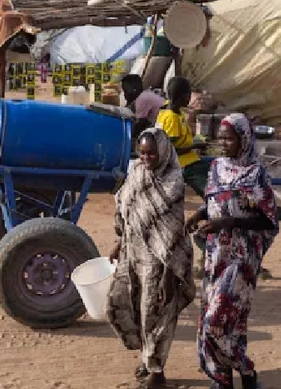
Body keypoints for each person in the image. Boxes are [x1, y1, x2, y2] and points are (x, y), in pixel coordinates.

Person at [186, 114, 278, 389]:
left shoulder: (257, 174)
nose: (223, 143)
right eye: (221, 138)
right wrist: (199, 214)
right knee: (229, 323)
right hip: (216, 255)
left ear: (244, 139)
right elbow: (215, 202)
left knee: (217, 319)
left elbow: (268, 220)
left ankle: (245, 368)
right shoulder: (215, 167)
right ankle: (223, 378)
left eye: (229, 138)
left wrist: (229, 222)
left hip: (242, 258)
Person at [107, 129, 195, 389]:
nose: (146, 157)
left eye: (152, 153)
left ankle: (157, 372)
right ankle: (147, 358)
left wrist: (170, 275)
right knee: (119, 305)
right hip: (132, 253)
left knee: (153, 315)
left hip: (159, 262)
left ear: (164, 152)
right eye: (142, 152)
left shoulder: (172, 183)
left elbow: (173, 233)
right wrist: (119, 242)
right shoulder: (136, 172)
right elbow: (125, 207)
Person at [156, 77, 204, 195]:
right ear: (183, 96)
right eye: (189, 94)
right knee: (207, 182)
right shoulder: (172, 118)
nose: (190, 98)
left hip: (187, 159)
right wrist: (194, 146)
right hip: (182, 164)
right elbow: (170, 151)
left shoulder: (169, 109)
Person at [122, 74, 165, 142]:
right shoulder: (144, 95)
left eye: (125, 91)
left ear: (133, 90)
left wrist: (127, 136)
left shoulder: (142, 99)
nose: (125, 95)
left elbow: (140, 124)